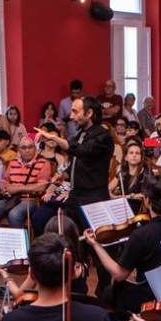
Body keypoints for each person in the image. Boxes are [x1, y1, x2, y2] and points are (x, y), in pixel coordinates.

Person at [84, 176, 161, 312]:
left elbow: (119, 274)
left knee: (109, 293)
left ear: (147, 200)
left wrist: (95, 245)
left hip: (151, 298)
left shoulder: (142, 235)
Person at [34, 96, 114, 230]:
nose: (71, 116)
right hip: (75, 197)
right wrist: (64, 174)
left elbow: (82, 150)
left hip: (93, 199)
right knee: (70, 236)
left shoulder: (103, 136)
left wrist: (54, 138)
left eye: (75, 112)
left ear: (89, 113)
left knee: (90, 239)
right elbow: (77, 162)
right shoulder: (81, 134)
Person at [0, 135, 53, 228]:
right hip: (11, 199)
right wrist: (5, 189)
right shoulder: (13, 162)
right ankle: (0, 236)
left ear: (35, 148)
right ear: (19, 150)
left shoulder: (44, 163)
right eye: (23, 147)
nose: (27, 150)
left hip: (30, 200)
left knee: (14, 215)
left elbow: (41, 186)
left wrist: (17, 189)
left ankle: (19, 238)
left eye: (30, 147)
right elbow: (4, 181)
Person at [110, 141, 150, 213]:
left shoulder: (146, 173)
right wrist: (114, 197)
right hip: (121, 208)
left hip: (137, 211)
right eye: (131, 153)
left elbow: (144, 195)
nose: (134, 155)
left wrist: (119, 197)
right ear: (126, 157)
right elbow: (108, 189)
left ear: (141, 157)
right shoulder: (122, 172)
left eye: (137, 153)